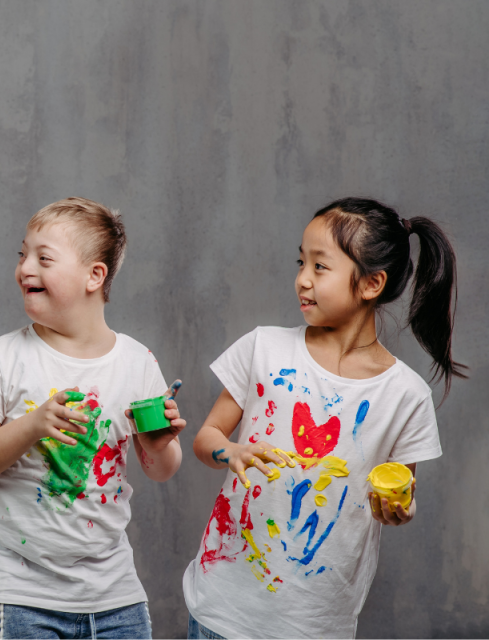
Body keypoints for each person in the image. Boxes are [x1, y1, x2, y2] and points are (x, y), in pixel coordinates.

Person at [183, 197, 463, 638]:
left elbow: (399, 491)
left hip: (314, 623)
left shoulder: (405, 395)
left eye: (319, 267)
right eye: (301, 262)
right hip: (222, 607)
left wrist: (398, 510)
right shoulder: (264, 348)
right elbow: (206, 438)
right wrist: (230, 451)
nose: (301, 280)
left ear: (371, 284)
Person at [0, 197, 185, 639]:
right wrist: (32, 425)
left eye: (43, 258)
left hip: (113, 589)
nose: (25, 268)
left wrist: (158, 446)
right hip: (18, 587)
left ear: (94, 276)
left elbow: (161, 470)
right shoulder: (2, 358)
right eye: (22, 255)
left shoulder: (137, 363)